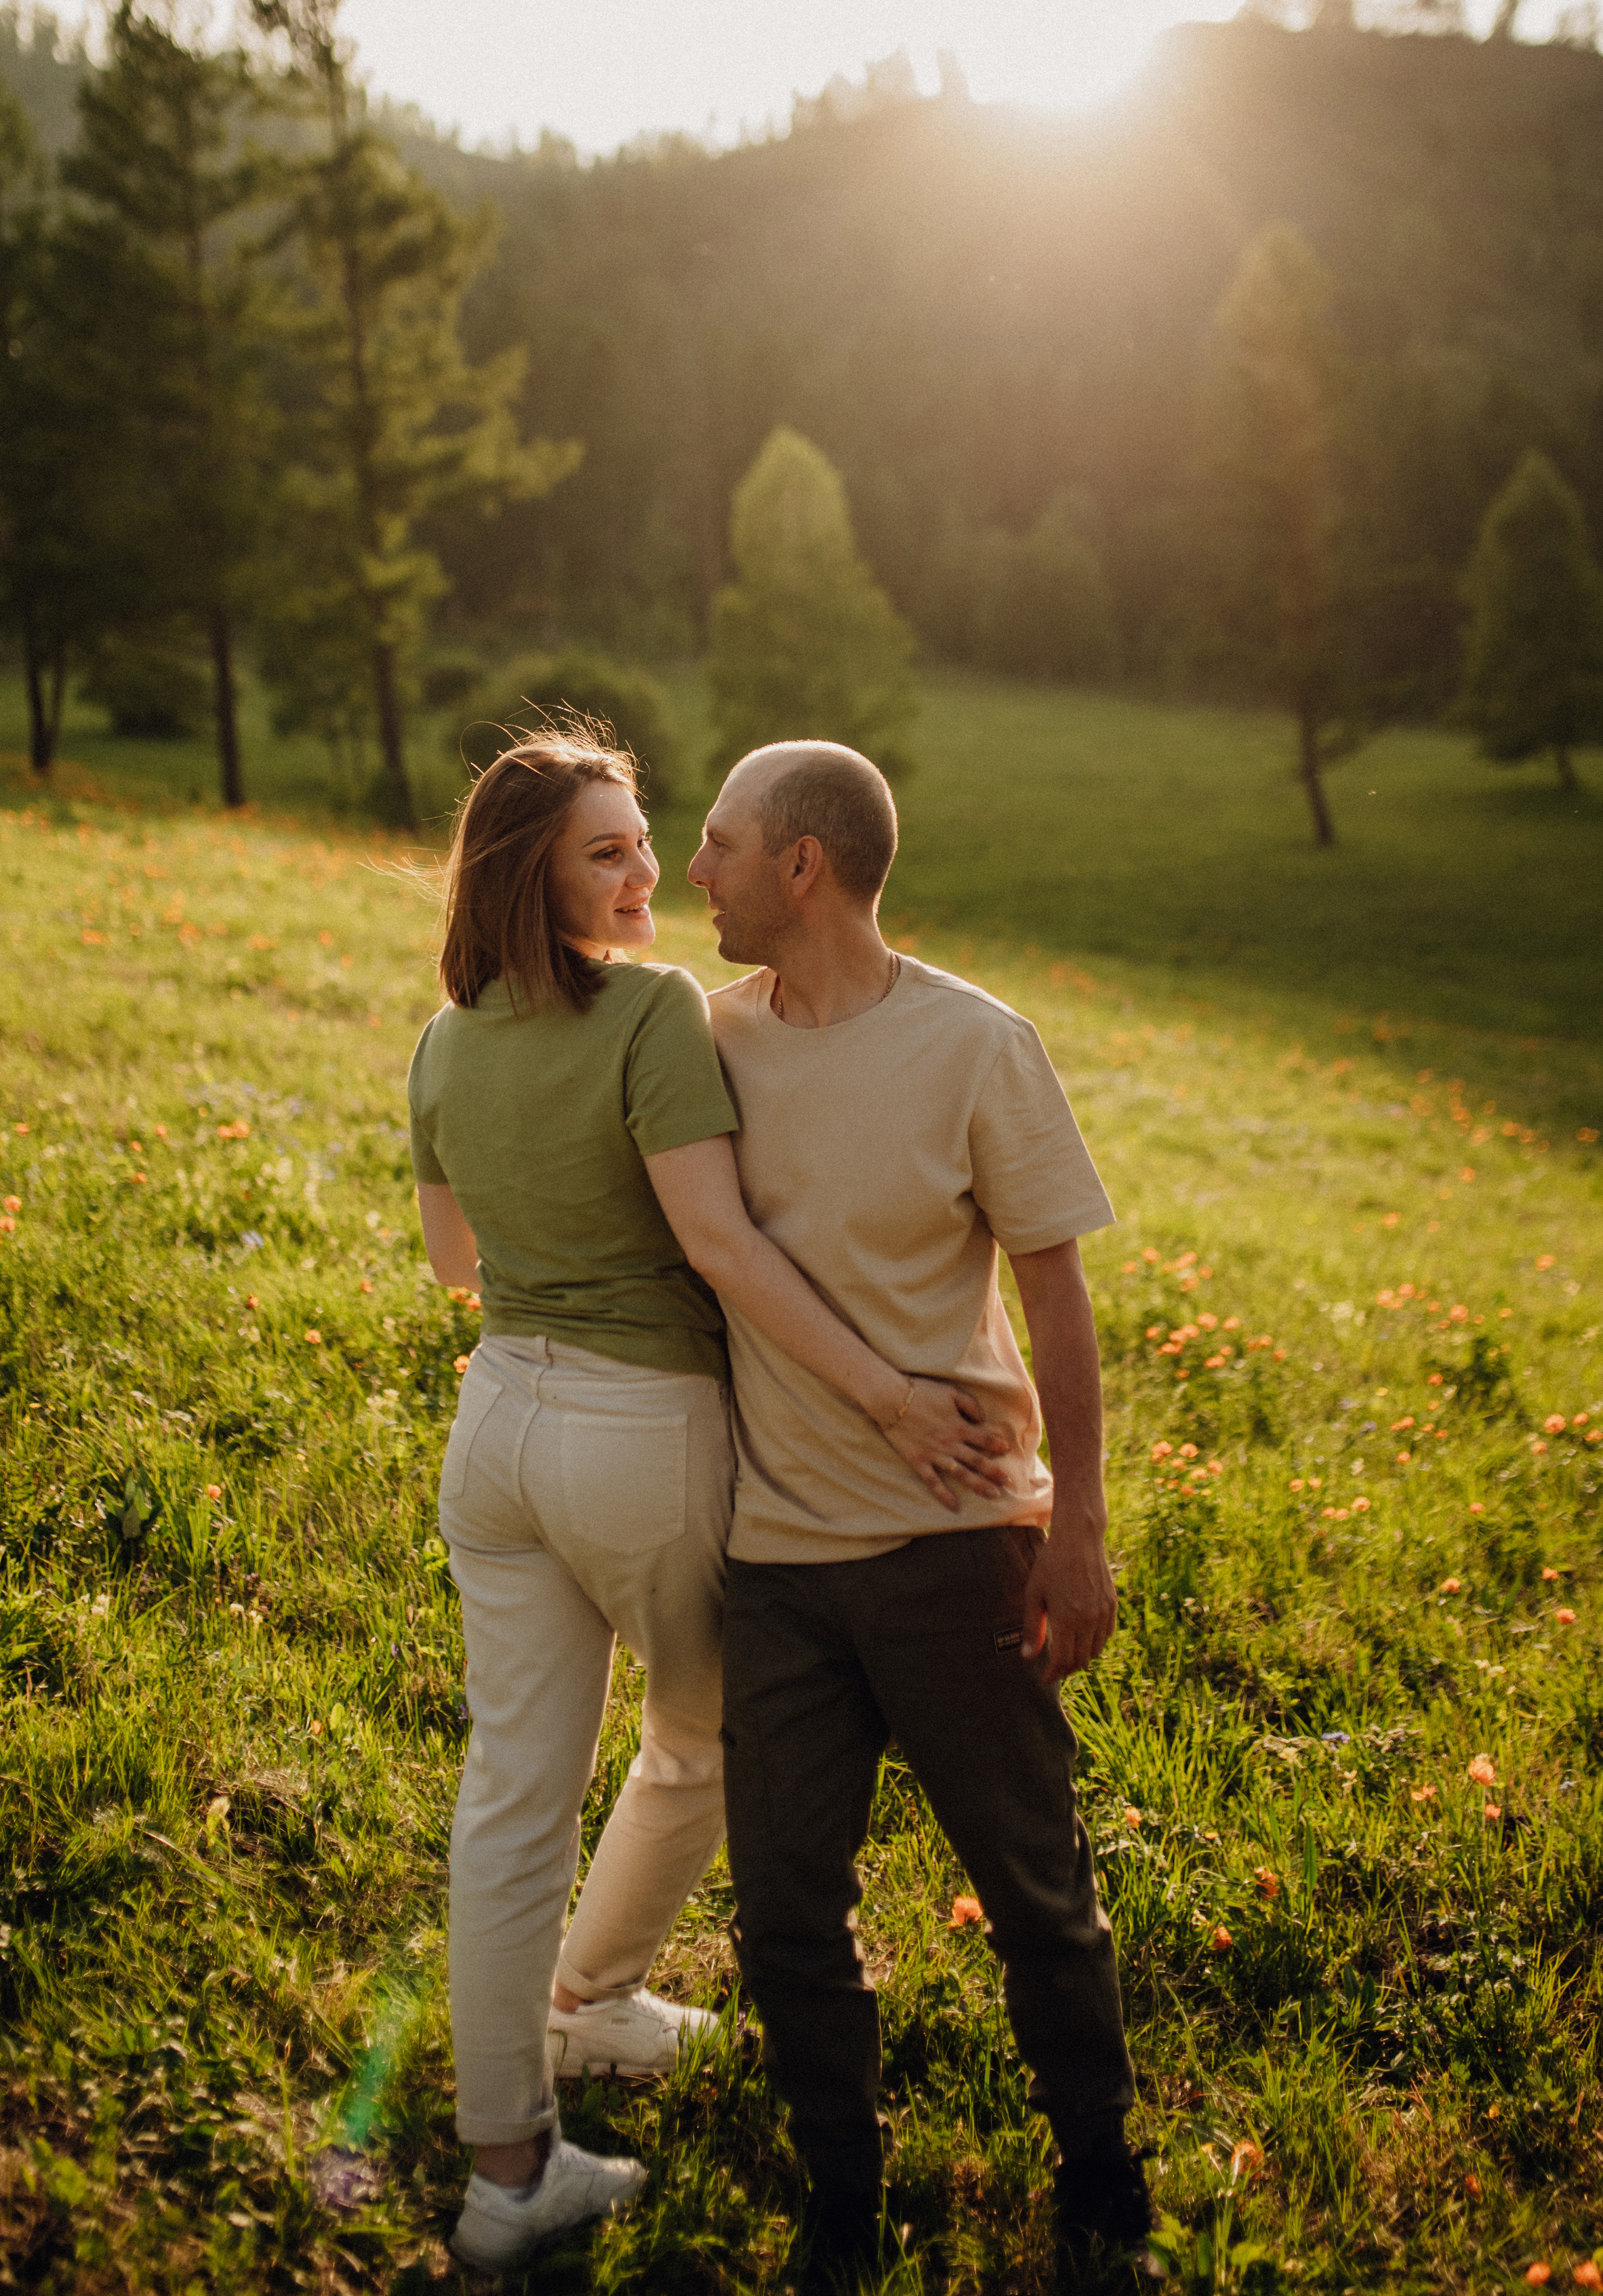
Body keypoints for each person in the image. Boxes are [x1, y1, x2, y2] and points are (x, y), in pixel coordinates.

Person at [409, 727, 1005, 2274]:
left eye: (645, 838)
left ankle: (503, 2173)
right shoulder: (654, 1010)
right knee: (709, 1730)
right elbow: (725, 1248)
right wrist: (888, 1398)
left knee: (508, 1800)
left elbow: (453, 1267)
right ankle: (594, 1999)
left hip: (494, 1429)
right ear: (531, 872)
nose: (646, 869)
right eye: (606, 849)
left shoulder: (445, 1037)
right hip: (637, 1429)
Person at [687, 740, 1152, 2287]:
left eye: (718, 846)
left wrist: (1073, 1528)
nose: (697, 873)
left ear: (799, 865)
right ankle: (840, 2193)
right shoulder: (705, 1043)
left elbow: (1055, 1292)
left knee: (1032, 1891)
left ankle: (1100, 2172)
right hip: (775, 1566)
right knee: (783, 1915)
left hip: (956, 1550)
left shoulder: (976, 1046)